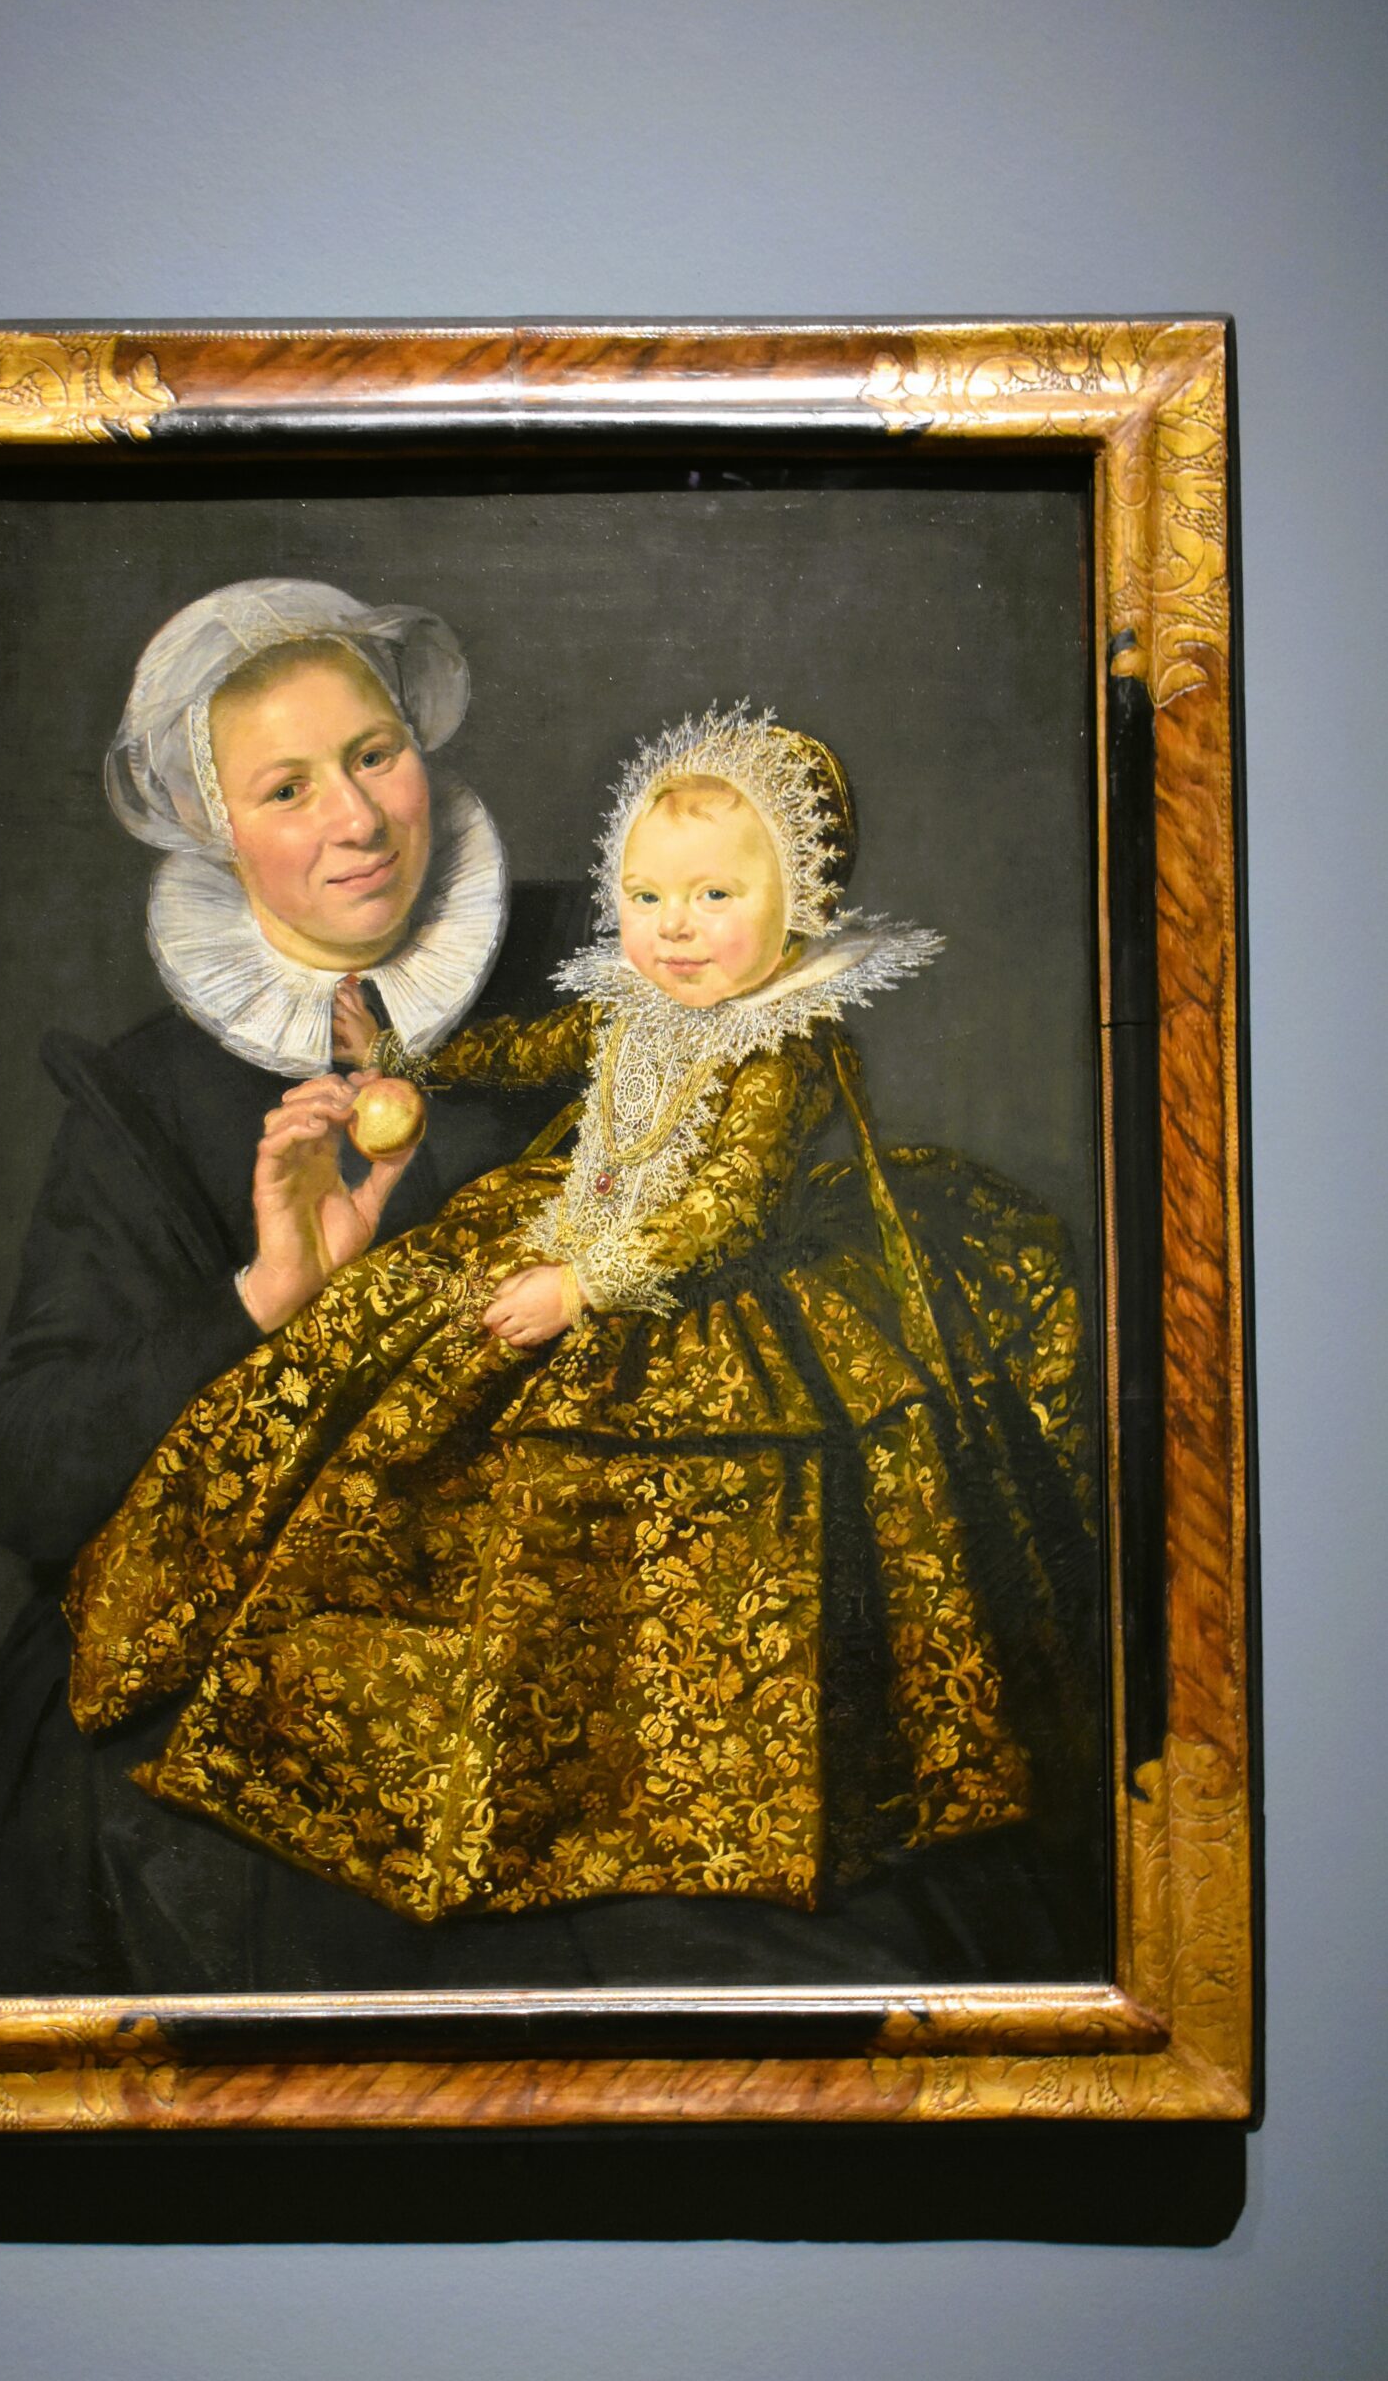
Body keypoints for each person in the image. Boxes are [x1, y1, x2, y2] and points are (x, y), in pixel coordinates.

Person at [66, 709, 1106, 1962]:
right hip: (568, 1230)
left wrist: (584, 1284)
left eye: (715, 895)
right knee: (396, 1399)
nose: (675, 927)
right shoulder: (635, 1001)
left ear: (800, 904)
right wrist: (400, 1055)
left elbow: (724, 1210)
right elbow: (529, 1051)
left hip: (696, 1300)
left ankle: (599, 1804)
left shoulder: (782, 1043)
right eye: (649, 896)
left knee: (621, 1541)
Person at [0, 579, 590, 1992]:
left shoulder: (610, 965)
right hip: (268, 1693)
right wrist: (262, 1296)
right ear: (211, 826)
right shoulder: (146, 1096)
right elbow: (24, 1470)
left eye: (373, 754)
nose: (358, 821)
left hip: (562, 1632)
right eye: (287, 788)